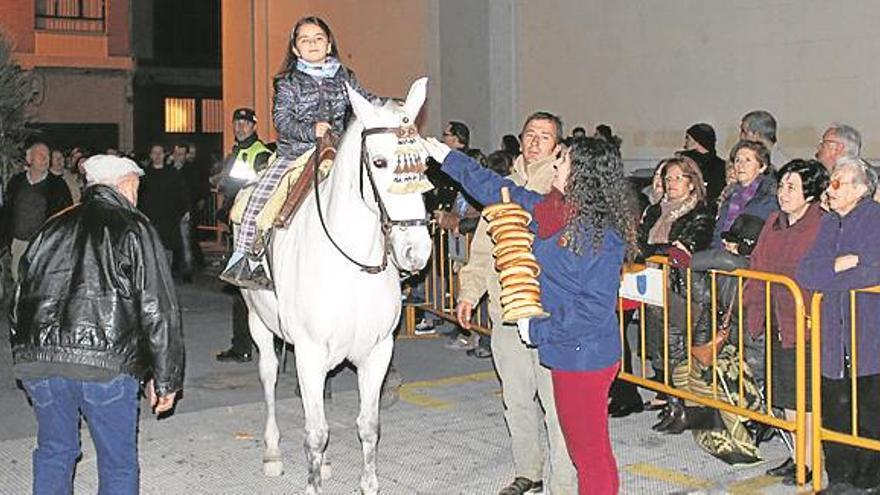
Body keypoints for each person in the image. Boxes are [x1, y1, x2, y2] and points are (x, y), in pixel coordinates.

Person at [425, 134, 634, 495]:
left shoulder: (602, 235)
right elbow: (497, 189)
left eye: (563, 160)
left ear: (583, 173)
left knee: (590, 453)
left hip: (585, 355)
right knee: (584, 447)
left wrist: (537, 329)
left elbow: (593, 310)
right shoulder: (552, 210)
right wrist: (448, 158)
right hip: (567, 350)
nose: (555, 164)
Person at [10, 154, 184, 494]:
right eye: (136, 186)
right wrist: (165, 378)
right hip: (105, 365)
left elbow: (19, 300)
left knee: (54, 452)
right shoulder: (134, 226)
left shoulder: (52, 226)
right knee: (117, 463)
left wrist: (25, 353)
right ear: (124, 185)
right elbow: (157, 308)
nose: (137, 194)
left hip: (41, 363)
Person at [452, 111, 577, 495]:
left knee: (557, 407)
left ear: (557, 146)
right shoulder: (500, 186)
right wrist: (469, 292)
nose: (536, 141)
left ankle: (564, 483)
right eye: (530, 134)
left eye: (545, 136)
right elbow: (483, 250)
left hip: (547, 313)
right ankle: (529, 471)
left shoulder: (562, 189)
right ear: (520, 140)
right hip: (506, 312)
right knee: (516, 398)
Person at [220, 15, 379, 289]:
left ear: (329, 44)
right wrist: (310, 130)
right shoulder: (288, 82)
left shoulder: (345, 76)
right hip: (295, 153)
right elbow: (282, 120)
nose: (312, 44)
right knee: (259, 199)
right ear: (295, 49)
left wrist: (391, 108)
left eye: (318, 38)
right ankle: (245, 259)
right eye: (305, 40)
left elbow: (365, 101)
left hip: (336, 151)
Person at [742, 159, 828, 485]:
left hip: (806, 324)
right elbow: (758, 263)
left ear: (810, 192)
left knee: (806, 399)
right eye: (781, 186)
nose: (783, 193)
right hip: (778, 319)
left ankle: (811, 462)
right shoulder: (775, 221)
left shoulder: (821, 223)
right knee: (787, 396)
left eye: (792, 186)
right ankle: (796, 457)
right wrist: (751, 306)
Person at [798, 160, 880, 494]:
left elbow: (873, 270)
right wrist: (842, 263)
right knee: (834, 411)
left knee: (871, 414)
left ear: (860, 189)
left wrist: (834, 271)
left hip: (868, 337)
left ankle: (870, 481)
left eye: (837, 183)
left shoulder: (874, 219)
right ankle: (841, 479)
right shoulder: (829, 223)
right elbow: (806, 272)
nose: (828, 189)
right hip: (832, 336)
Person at [636, 156, 715, 426]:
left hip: (682, 289)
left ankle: (683, 406)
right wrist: (657, 252)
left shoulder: (700, 212)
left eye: (678, 178)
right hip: (652, 287)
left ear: (692, 183)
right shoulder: (655, 211)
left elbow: (683, 249)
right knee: (660, 347)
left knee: (678, 347)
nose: (671, 183)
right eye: (668, 178)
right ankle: (670, 401)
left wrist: (656, 252)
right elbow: (638, 243)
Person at [213, 107, 272, 363]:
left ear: (254, 126)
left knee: (243, 287)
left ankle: (243, 346)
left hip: (248, 231)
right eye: (237, 122)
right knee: (242, 289)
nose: (240, 127)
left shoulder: (259, 153)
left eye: (245, 123)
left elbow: (259, 189)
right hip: (237, 225)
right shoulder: (238, 151)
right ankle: (244, 344)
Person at [1, 142, 73, 284]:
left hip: (44, 245)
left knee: (40, 283)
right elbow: (7, 211)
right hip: (19, 243)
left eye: (47, 156)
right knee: (18, 280)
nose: (45, 159)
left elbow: (67, 216)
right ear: (29, 159)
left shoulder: (58, 185)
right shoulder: (16, 182)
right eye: (41, 155)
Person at [712, 140, 779, 248]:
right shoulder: (729, 195)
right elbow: (717, 233)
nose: (741, 166)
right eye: (737, 160)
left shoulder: (769, 197)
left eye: (748, 161)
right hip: (721, 254)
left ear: (762, 167)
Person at [139, 143, 191, 278]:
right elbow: (141, 196)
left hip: (169, 216)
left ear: (164, 154)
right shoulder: (145, 174)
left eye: (160, 152)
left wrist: (185, 210)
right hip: (151, 216)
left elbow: (181, 192)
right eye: (154, 153)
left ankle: (167, 275)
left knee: (168, 247)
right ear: (150, 155)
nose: (157, 156)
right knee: (152, 246)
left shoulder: (172, 173)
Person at [680, 122, 726, 208]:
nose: (685, 142)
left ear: (697, 141)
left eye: (688, 138)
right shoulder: (721, 166)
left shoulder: (684, 163)